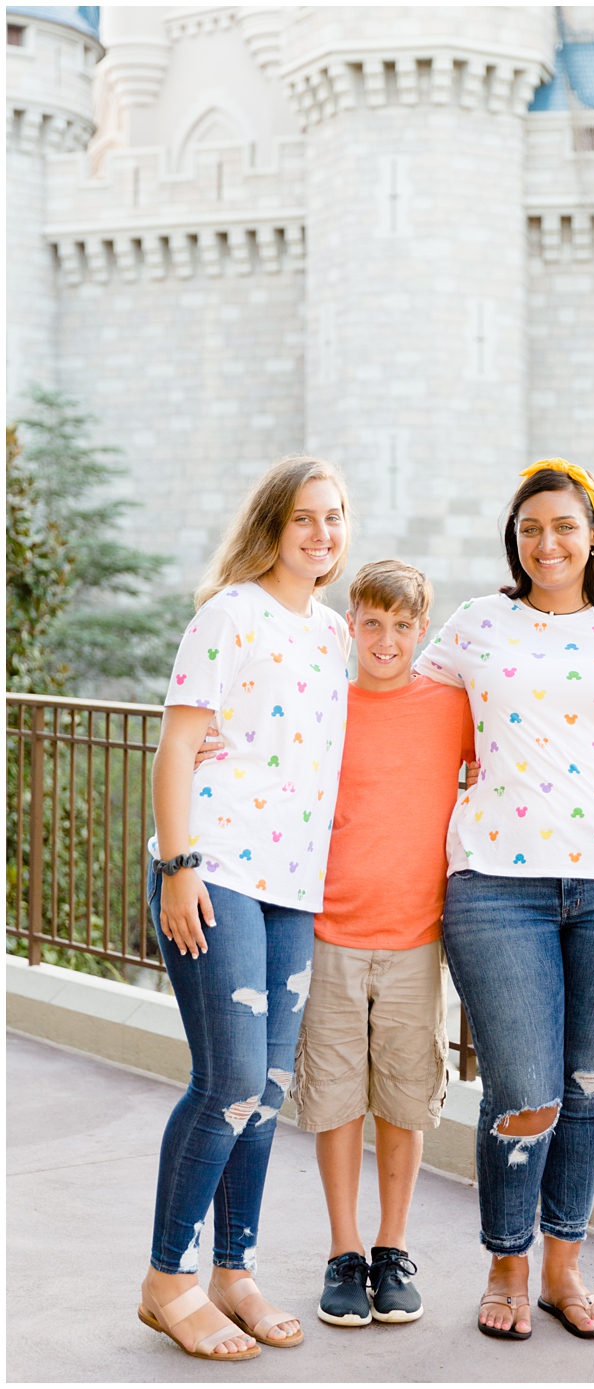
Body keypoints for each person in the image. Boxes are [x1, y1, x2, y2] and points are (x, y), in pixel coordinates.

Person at [413, 459, 594, 1341]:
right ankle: (506, 1261)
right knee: (524, 1088)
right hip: (494, 882)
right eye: (530, 529)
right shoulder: (476, 623)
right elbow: (401, 707)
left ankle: (562, 1263)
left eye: (564, 526)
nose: (546, 542)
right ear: (513, 540)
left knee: (589, 1085)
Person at [136, 456, 353, 1361]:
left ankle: (234, 1270)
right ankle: (166, 1280)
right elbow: (177, 744)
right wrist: (181, 865)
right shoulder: (228, 614)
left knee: (265, 1092)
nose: (322, 534)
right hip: (216, 870)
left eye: (334, 518)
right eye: (304, 518)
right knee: (224, 1082)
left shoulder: (336, 634)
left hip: (294, 886)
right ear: (272, 524)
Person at [291, 560, 476, 1327]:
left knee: (403, 1099)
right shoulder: (322, 702)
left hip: (413, 937)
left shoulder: (451, 706)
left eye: (403, 625)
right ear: (350, 625)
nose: (387, 639)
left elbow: (517, 761)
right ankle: (344, 1250)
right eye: (373, 623)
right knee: (335, 1098)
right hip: (328, 929)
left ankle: (392, 1248)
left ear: (422, 630)